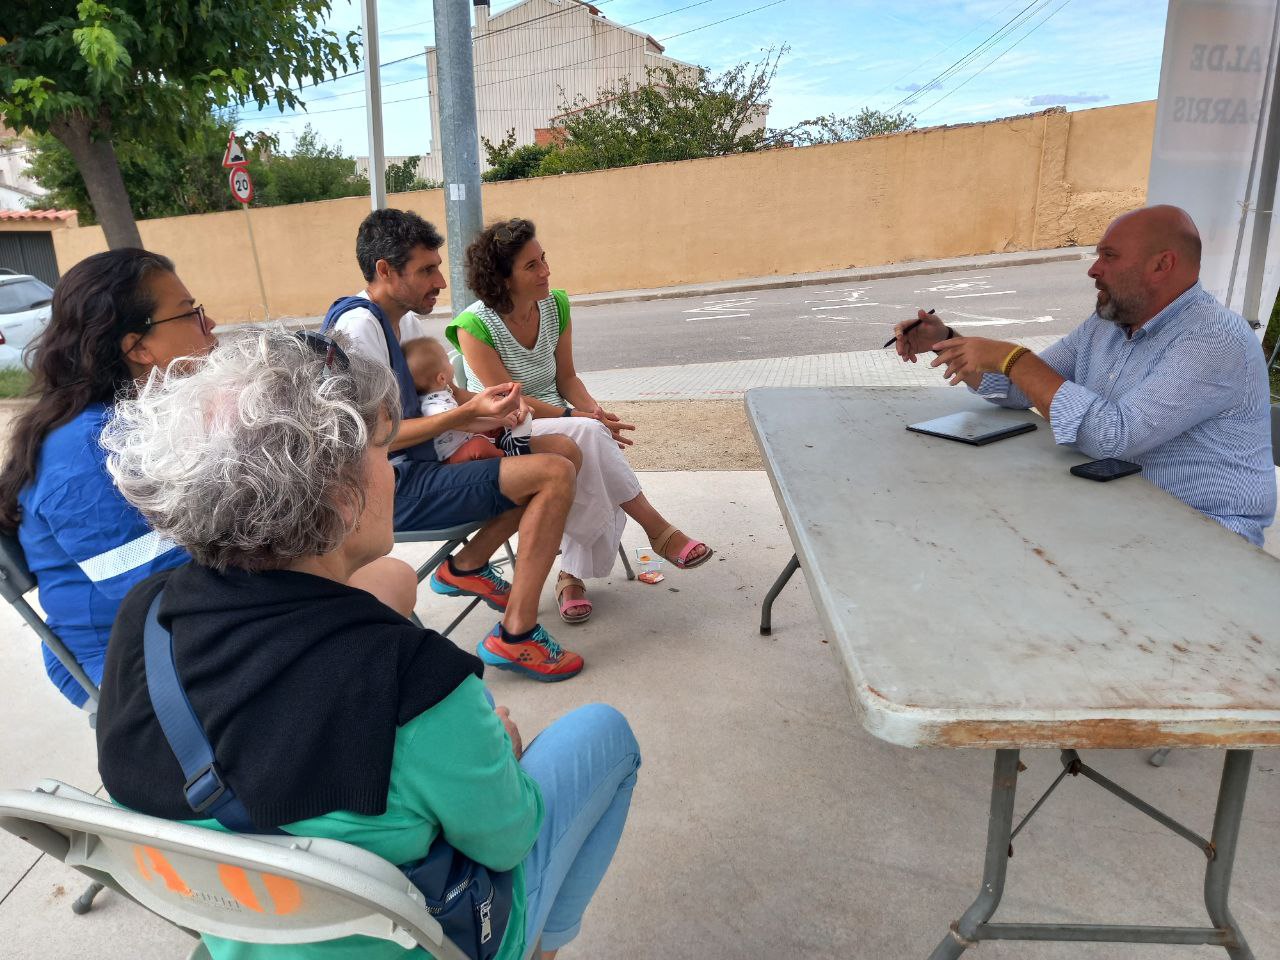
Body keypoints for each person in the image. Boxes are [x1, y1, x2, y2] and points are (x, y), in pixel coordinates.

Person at [94, 327, 641, 960]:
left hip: (248, 927)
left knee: (392, 581)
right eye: (385, 451)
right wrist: (502, 751)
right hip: (419, 939)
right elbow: (510, 839)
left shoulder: (146, 615)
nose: (393, 472)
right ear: (339, 492)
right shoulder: (418, 685)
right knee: (606, 736)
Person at [0, 249, 415, 707]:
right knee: (380, 585)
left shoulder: (142, 415)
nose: (210, 322)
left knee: (377, 577)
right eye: (190, 314)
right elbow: (151, 592)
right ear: (138, 346)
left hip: (190, 609)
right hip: (130, 656)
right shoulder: (86, 451)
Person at [893, 204, 1276, 546]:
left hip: (1205, 537)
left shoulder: (1214, 338)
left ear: (1162, 265)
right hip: (1120, 513)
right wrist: (946, 341)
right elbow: (1018, 389)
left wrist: (1013, 357)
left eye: (1109, 256)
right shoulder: (1107, 324)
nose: (1094, 269)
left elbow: (1112, 438)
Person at [329, 209, 585, 681]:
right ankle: (516, 635)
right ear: (385, 270)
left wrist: (490, 404)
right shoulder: (357, 330)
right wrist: (469, 416)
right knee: (552, 474)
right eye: (427, 270)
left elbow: (436, 396)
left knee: (564, 452)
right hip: (394, 488)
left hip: (428, 465)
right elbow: (376, 439)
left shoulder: (399, 322)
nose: (440, 281)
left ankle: (467, 564)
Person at [451, 218, 714, 625]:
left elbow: (567, 378)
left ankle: (573, 576)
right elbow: (506, 403)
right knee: (590, 438)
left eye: (544, 260)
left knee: (591, 438)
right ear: (501, 278)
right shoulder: (475, 326)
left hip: (560, 421)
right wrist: (578, 418)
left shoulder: (555, 306)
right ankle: (653, 531)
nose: (545, 272)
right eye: (531, 266)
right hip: (506, 432)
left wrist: (592, 411)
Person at [405, 335, 533, 463]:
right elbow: (468, 424)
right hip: (452, 455)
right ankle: (507, 455)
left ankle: (501, 440)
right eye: (447, 361)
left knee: (485, 433)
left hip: (464, 438)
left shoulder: (440, 394)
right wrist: (501, 421)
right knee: (479, 446)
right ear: (442, 378)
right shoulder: (437, 407)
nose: (451, 364)